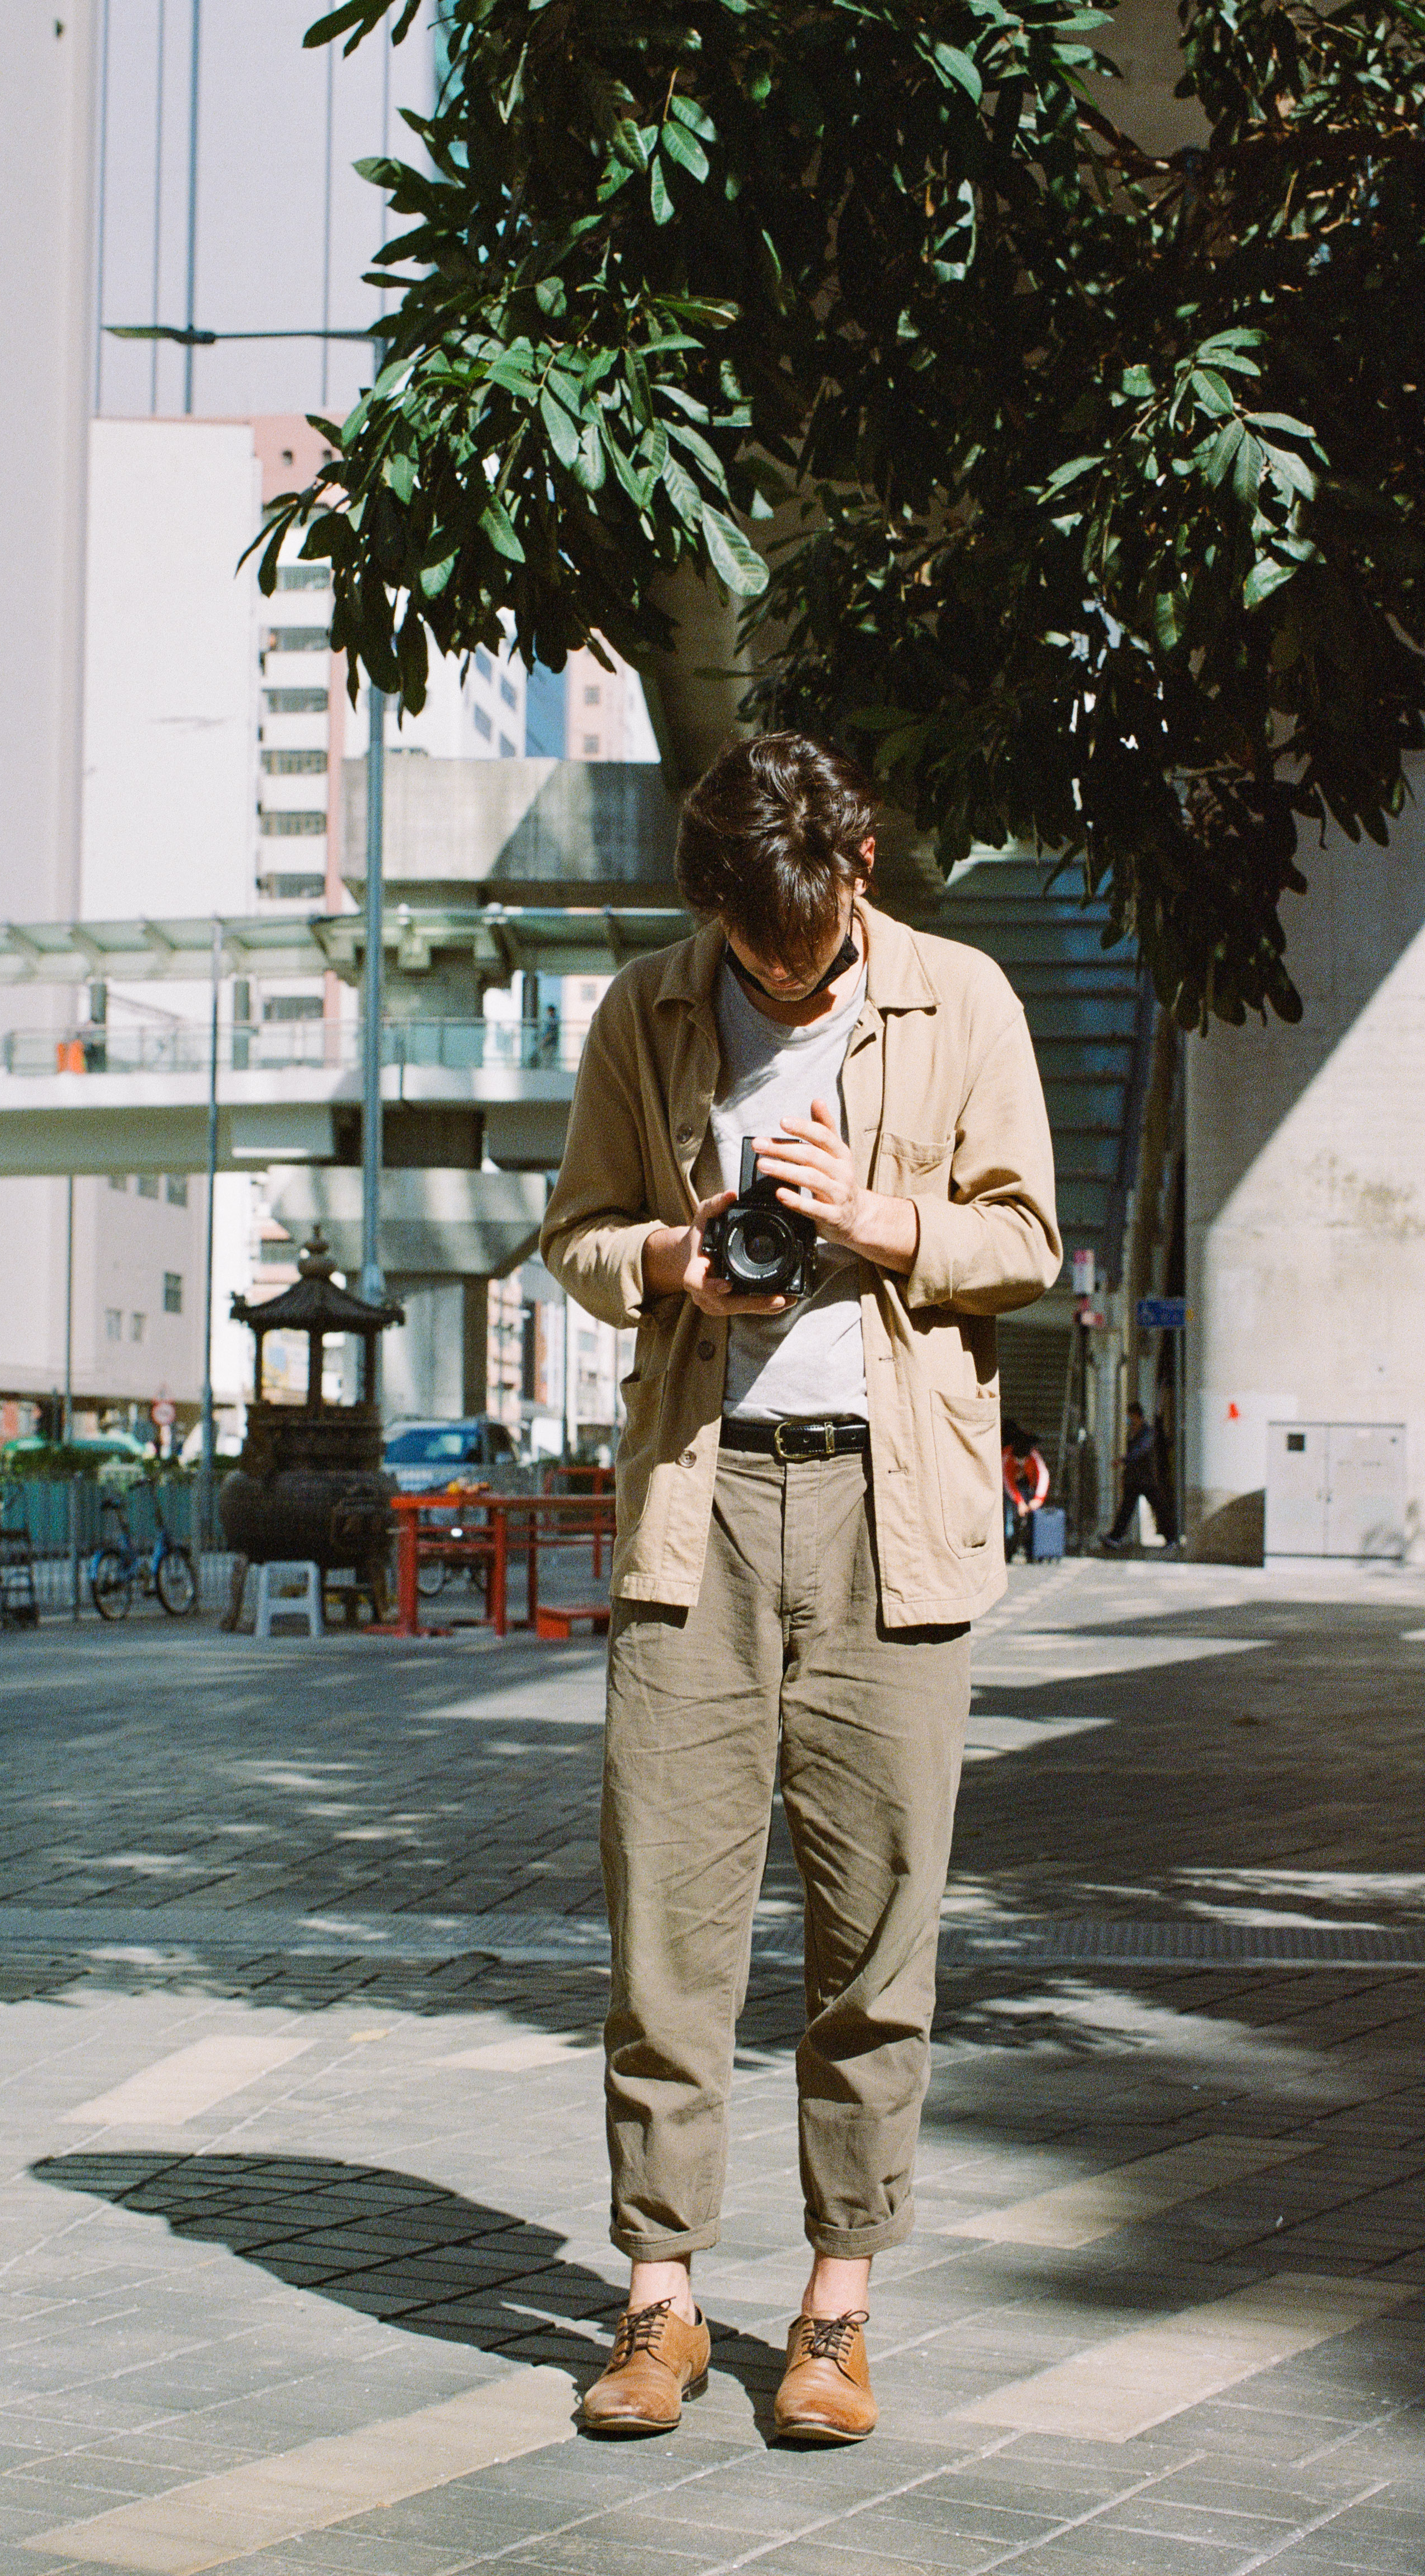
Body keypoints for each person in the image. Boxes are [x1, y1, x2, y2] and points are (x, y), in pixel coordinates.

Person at [540, 731, 1059, 2445]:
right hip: (697, 1506)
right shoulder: (648, 1010)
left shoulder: (961, 997)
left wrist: (884, 1217)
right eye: (750, 956)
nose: (780, 972)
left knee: (878, 1919)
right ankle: (661, 2300)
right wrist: (676, 1259)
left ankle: (836, 2310)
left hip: (888, 1504)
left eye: (805, 939)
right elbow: (579, 1238)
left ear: (860, 859)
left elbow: (1029, 1242)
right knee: (666, 1923)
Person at [1099, 1401, 1173, 1550]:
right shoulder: (1135, 1433)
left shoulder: (1148, 1433)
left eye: (1131, 1418)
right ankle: (1115, 1537)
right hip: (1134, 1479)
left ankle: (1171, 1538)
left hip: (1146, 1479)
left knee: (1159, 1508)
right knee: (1126, 1509)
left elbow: (1139, 1452)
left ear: (1138, 1416)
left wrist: (1123, 1460)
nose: (1129, 1421)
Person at [1001, 1422, 1049, 1562]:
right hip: (1010, 1491)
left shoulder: (1033, 1455)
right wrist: (1020, 1502)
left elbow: (1044, 1475)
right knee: (1009, 1521)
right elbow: (1007, 1482)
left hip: (1027, 1487)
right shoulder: (1007, 1457)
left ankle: (1031, 1551)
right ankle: (1008, 1551)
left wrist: (1038, 1499)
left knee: (1031, 1520)